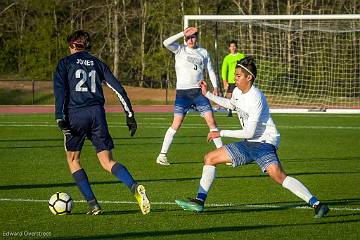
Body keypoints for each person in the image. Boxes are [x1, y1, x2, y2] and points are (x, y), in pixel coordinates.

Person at [175, 57, 330, 218]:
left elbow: (249, 132)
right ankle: (199, 202)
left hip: (264, 142)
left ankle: (317, 205)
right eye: (235, 75)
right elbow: (231, 104)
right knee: (209, 158)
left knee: (278, 176)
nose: (234, 78)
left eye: (238, 75)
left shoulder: (256, 97)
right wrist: (207, 94)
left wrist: (220, 133)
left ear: (249, 77)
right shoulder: (236, 91)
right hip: (249, 143)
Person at [53, 30, 150, 215]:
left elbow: (60, 92)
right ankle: (133, 186)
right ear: (86, 45)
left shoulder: (65, 63)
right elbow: (119, 89)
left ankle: (93, 204)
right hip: (97, 114)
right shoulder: (98, 63)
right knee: (107, 161)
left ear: (72, 45)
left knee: (73, 160)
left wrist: (60, 117)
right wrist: (129, 115)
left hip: (75, 116)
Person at [156, 27, 223, 165]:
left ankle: (222, 154)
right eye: (188, 37)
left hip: (199, 93)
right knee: (177, 123)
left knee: (211, 121)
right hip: (183, 93)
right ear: (185, 39)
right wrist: (182, 33)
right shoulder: (180, 49)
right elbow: (165, 43)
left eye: (193, 37)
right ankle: (162, 155)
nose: (190, 40)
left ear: (197, 37)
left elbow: (210, 70)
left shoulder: (203, 52)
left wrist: (215, 86)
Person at [221, 40, 246, 117]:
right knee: (230, 95)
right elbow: (224, 70)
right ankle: (229, 110)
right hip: (231, 80)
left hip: (240, 79)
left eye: (234, 46)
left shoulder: (241, 56)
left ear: (236, 47)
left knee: (241, 95)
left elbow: (245, 67)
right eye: (231, 46)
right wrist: (225, 82)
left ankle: (242, 110)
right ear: (229, 48)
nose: (233, 48)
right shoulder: (227, 58)